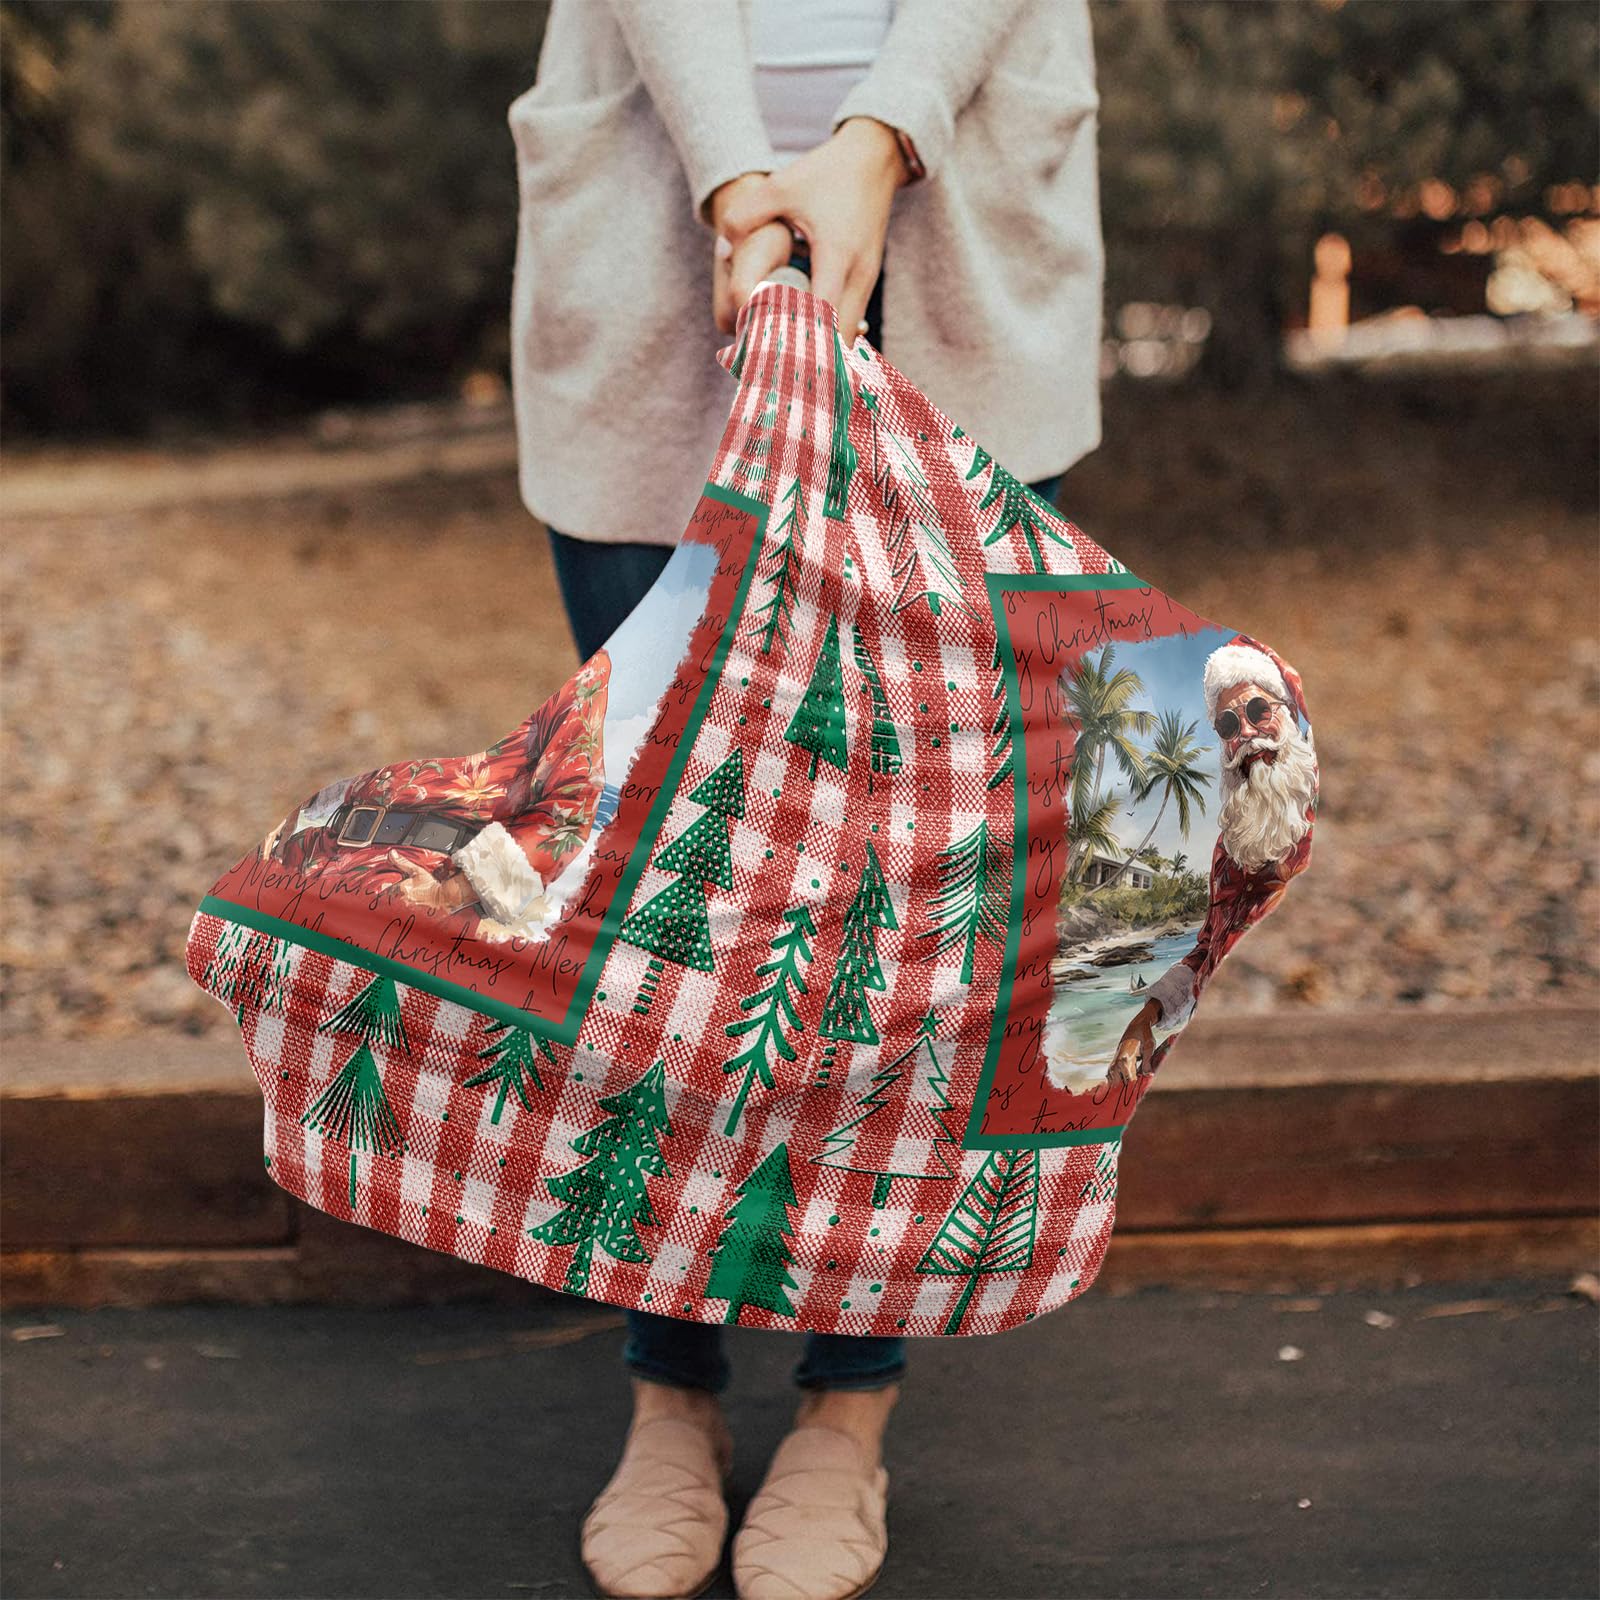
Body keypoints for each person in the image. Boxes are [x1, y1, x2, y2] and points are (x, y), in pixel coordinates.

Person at [506, 4, 1104, 1596]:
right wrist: (734, 179)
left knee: (912, 888)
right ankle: (670, 1390)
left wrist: (876, 137)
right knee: (671, 879)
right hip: (659, 224)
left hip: (956, 218)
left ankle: (849, 1409)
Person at [1109, 637, 1318, 1083]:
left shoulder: (1319, 822)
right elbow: (1209, 949)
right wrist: (1145, 1019)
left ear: (1289, 714)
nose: (1246, 733)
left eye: (1259, 711)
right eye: (1228, 724)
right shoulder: (1233, 843)